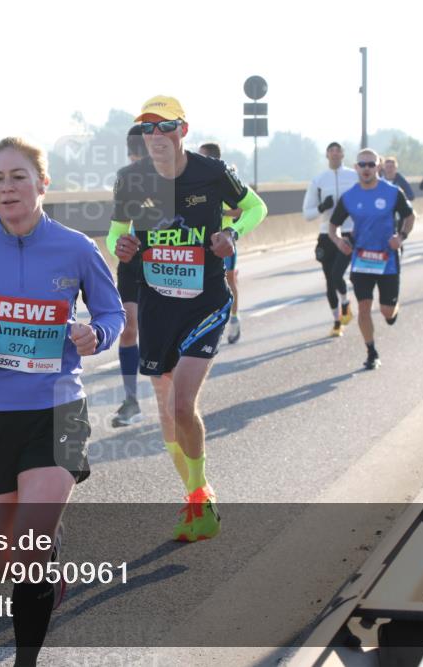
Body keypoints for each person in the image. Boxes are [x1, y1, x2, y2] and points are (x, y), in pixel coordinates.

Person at [0, 137, 124, 666]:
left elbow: (112, 314)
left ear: (42, 184)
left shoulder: (78, 248)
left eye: (18, 177)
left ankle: (25, 660)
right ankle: (49, 564)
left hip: (56, 409)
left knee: (29, 551)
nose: (7, 187)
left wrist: (94, 336)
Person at [110, 95, 267, 541]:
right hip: (158, 302)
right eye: (147, 128)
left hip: (206, 301)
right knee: (165, 412)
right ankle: (199, 495)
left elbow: (257, 208)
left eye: (164, 127)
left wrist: (233, 232)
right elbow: (117, 232)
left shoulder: (212, 172)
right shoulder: (131, 180)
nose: (155, 136)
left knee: (182, 404)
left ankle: (199, 499)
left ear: (183, 130)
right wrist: (119, 247)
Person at [328, 149, 415, 370]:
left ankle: (392, 310)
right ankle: (371, 351)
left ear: (378, 167)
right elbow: (333, 226)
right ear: (356, 167)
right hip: (362, 260)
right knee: (364, 308)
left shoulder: (393, 192)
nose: (366, 168)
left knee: (387, 312)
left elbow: (409, 216)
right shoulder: (349, 196)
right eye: (362, 164)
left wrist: (401, 236)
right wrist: (339, 242)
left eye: (370, 164)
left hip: (388, 260)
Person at [110, 126, 149, 428]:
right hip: (132, 262)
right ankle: (131, 399)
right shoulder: (125, 178)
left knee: (161, 328)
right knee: (128, 328)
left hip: (163, 260)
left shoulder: (175, 176)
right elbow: (115, 233)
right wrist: (118, 248)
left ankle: (172, 392)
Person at [303, 141, 359, 337]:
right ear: (327, 155)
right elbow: (307, 214)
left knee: (337, 275)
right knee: (329, 281)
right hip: (327, 234)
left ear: (343, 155)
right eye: (331, 151)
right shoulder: (319, 181)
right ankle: (337, 321)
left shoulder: (354, 176)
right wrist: (321, 207)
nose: (335, 154)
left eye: (338, 151)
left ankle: (345, 302)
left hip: (348, 232)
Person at [198, 142, 245, 344]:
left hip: (224, 242)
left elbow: (240, 210)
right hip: (204, 242)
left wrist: (220, 211)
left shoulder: (225, 180)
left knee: (230, 280)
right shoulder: (199, 183)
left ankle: (234, 318)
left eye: (201, 157)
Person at [381, 156, 415, 236]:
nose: (389, 169)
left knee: (410, 214)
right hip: (383, 210)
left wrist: (401, 199)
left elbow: (411, 194)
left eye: (392, 167)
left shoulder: (401, 180)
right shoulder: (379, 181)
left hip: (398, 210)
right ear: (384, 168)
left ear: (396, 168)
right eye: (387, 167)